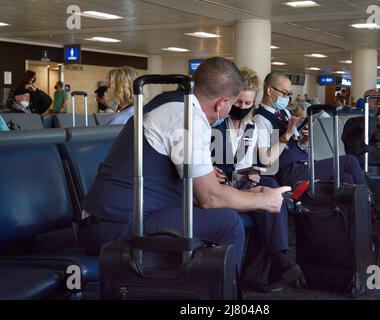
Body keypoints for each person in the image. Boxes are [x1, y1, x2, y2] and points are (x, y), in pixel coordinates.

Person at [81, 57, 290, 273]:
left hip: (115, 219)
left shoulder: (172, 104)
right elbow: (211, 197)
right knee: (227, 222)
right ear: (222, 103)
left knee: (212, 215)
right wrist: (262, 199)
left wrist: (246, 193)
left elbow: (201, 191)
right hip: (114, 227)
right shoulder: (186, 118)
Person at [211, 67, 302, 293]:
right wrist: (209, 166)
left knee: (269, 190)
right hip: (217, 188)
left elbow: (258, 163)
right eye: (238, 103)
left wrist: (252, 172)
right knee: (269, 192)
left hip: (239, 183)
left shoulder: (250, 127)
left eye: (247, 104)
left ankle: (267, 268)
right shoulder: (214, 127)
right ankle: (279, 259)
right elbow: (205, 162)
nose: (242, 108)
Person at [253, 71, 367, 189]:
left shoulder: (284, 113)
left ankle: (359, 206)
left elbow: (298, 143)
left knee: (346, 178)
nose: (287, 98)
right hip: (289, 172)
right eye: (285, 93)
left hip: (303, 163)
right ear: (270, 91)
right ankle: (369, 203)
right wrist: (286, 135)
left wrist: (305, 139)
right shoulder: (261, 120)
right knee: (350, 161)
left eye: (289, 94)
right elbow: (266, 159)